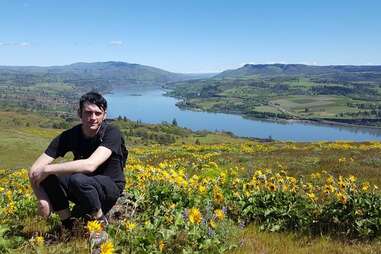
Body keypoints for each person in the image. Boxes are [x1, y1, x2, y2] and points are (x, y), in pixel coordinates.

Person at [29, 91, 127, 229]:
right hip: (82, 186)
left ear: (104, 115)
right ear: (79, 113)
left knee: (76, 178)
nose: (93, 117)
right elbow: (34, 170)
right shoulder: (69, 136)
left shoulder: (112, 133)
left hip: (110, 186)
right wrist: (42, 200)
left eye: (98, 113)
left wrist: (47, 169)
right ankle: (68, 224)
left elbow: (90, 165)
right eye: (88, 112)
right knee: (49, 177)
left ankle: (100, 222)